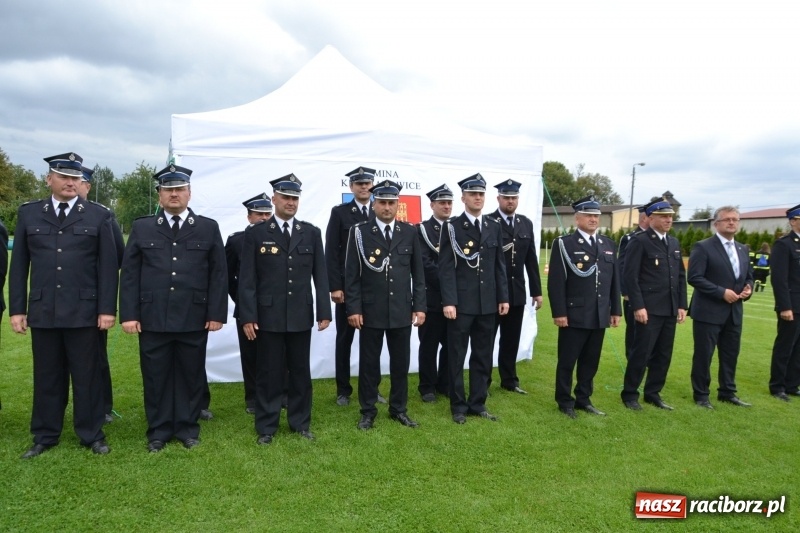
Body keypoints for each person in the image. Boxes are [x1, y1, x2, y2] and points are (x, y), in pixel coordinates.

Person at [10, 152, 118, 458]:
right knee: (47, 376)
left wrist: (107, 309)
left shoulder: (98, 216)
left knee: (87, 376)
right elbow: (19, 266)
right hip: (44, 311)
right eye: (64, 177)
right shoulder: (30, 214)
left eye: (75, 178)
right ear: (49, 180)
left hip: (84, 312)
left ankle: (91, 433)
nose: (70, 183)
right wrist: (18, 309)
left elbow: (108, 268)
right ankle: (45, 434)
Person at [119, 164, 227, 452]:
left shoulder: (207, 227)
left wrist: (216, 313)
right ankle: (158, 430)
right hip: (153, 317)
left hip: (194, 316)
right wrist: (128, 314)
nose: (174, 194)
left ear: (189, 193)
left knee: (190, 375)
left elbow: (218, 274)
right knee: (156, 376)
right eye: (169, 190)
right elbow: (129, 275)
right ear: (159, 195)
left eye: (180, 189)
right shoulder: (143, 227)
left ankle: (188, 428)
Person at [239, 174, 331, 443]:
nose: (290, 202)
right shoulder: (256, 234)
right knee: (268, 373)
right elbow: (247, 280)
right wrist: (248, 316)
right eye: (286, 197)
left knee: (301, 372)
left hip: (300, 315)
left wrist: (324, 311)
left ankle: (300, 423)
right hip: (268, 316)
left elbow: (320, 275)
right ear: (274, 199)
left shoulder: (311, 233)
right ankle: (266, 427)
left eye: (295, 198)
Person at [346, 180, 426, 430]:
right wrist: (354, 309)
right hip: (370, 310)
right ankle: (368, 411)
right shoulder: (359, 232)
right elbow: (351, 275)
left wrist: (419, 306)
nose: (387, 207)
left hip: (401, 309)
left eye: (392, 203)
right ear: (374, 204)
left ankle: (398, 409)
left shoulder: (410, 232)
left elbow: (418, 273)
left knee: (400, 364)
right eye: (382, 202)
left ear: (398, 204)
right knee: (369, 364)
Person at [439, 173, 509, 424]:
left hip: (487, 303)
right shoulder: (452, 227)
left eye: (481, 194)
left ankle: (478, 403)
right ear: (463, 197)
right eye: (473, 194)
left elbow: (499, 265)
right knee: (456, 356)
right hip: (461, 305)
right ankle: (458, 406)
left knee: (483, 355)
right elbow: (445, 267)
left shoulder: (493, 226)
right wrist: (448, 301)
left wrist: (503, 296)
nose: (478, 198)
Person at [547, 196, 621, 419]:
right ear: (577, 218)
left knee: (590, 361)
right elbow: (556, 282)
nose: (593, 219)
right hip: (574, 312)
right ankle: (564, 400)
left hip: (599, 313)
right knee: (568, 360)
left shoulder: (607, 244)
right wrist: (559, 312)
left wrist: (615, 310)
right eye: (588, 215)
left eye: (596, 216)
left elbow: (614, 280)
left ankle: (583, 398)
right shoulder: (564, 244)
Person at [620, 198, 687, 411]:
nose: (669, 220)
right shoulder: (639, 241)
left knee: (663, 354)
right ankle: (630, 394)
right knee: (642, 353)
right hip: (648, 309)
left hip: (668, 308)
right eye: (664, 216)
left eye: (670, 217)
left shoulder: (673, 243)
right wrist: (638, 306)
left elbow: (680, 277)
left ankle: (653, 393)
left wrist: (682, 305)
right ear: (650, 218)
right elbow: (631, 277)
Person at [325, 166, 382, 406]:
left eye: (367, 183)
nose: (364, 187)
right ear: (351, 187)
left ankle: (372, 389)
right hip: (347, 289)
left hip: (374, 289)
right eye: (359, 183)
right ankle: (343, 390)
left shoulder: (379, 212)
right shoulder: (340, 213)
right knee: (344, 339)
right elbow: (331, 252)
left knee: (373, 342)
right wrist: (335, 287)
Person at [688, 206, 753, 409]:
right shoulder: (703, 247)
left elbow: (747, 276)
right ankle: (701, 394)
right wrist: (721, 292)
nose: (732, 222)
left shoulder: (742, 249)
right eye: (727, 219)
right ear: (716, 224)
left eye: (735, 219)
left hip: (734, 312)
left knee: (730, 354)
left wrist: (748, 288)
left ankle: (727, 391)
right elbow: (695, 277)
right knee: (704, 355)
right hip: (708, 311)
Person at [77, 166, 125, 424]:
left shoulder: (103, 216)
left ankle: (103, 406)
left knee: (96, 357)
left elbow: (118, 254)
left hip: (93, 301)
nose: (75, 184)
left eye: (81, 181)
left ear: (88, 186)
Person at [489, 179, 542, 394]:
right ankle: (483, 383)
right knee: (487, 340)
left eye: (514, 198)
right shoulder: (488, 222)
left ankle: (509, 380)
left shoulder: (525, 223)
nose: (510, 201)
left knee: (511, 339)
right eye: (506, 197)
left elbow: (531, 260)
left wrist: (537, 292)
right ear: (499, 198)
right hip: (492, 293)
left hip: (517, 292)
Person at [225, 193, 273, 414]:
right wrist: (243, 302)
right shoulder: (236, 241)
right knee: (250, 354)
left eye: (267, 213)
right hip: (247, 308)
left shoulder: (280, 237)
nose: (264, 218)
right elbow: (228, 277)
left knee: (276, 354)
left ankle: (279, 393)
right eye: (259, 214)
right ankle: (252, 397)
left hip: (274, 308)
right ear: (249, 217)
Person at [416, 184, 453, 402]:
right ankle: (427, 386)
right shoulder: (422, 230)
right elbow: (425, 264)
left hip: (454, 300)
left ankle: (445, 383)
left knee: (451, 346)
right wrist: (450, 282)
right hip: (432, 298)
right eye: (442, 202)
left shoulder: (458, 227)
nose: (446, 206)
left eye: (449, 202)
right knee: (428, 346)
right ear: (432, 205)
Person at [768, 204, 800, 401]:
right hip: (792, 304)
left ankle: (792, 384)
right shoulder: (784, 244)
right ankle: (778, 386)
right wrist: (785, 306)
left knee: (798, 348)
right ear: (793, 221)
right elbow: (779, 279)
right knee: (785, 346)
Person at [618, 205, 650, 360]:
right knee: (634, 331)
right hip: (633, 295)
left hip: (653, 296)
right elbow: (623, 266)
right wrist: (626, 293)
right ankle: (632, 360)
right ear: (644, 218)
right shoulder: (630, 238)